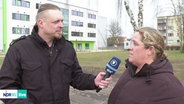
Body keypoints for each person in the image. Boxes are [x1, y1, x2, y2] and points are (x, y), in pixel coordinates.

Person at [0, 3, 112, 104]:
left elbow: (75, 77)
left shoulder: (67, 48)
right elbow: (5, 89)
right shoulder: (19, 48)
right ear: (41, 23)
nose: (61, 25)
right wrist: (26, 99)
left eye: (62, 21)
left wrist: (93, 81)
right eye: (56, 22)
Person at [108, 27, 184, 104]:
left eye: (135, 44)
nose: (129, 48)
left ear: (150, 50)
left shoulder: (170, 87)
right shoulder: (130, 70)